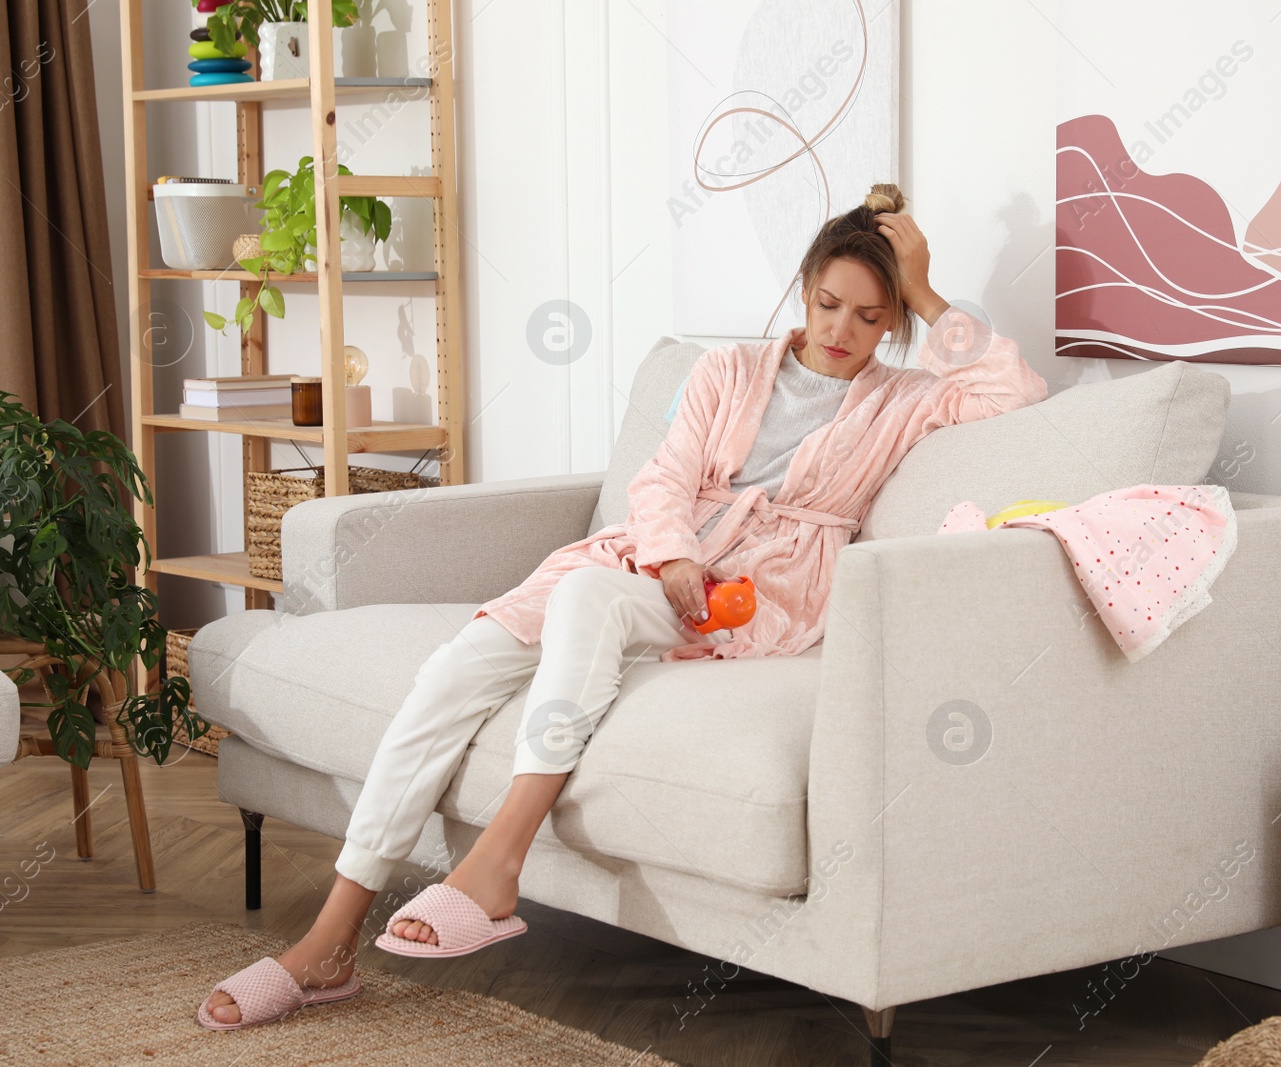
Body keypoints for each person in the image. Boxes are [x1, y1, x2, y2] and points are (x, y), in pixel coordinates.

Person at [199, 182, 1048, 1027]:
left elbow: (1016, 390)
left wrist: (930, 289)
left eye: (871, 316)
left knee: (591, 600)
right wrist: (672, 550)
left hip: (757, 591)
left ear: (894, 321)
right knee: (459, 665)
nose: (842, 332)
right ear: (803, 288)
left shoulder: (902, 399)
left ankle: (501, 858)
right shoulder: (728, 369)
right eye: (829, 304)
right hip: (650, 559)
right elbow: (667, 474)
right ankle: (332, 939)